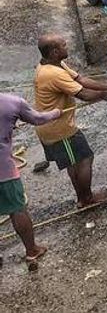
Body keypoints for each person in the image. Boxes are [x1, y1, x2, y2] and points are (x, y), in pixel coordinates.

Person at [34, 34, 107, 207]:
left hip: (50, 126)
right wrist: (103, 95)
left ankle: (81, 198)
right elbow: (83, 94)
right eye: (63, 45)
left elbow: (81, 80)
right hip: (58, 129)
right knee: (85, 159)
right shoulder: (53, 73)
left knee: (74, 162)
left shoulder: (54, 64)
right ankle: (87, 198)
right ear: (55, 52)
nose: (67, 46)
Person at [0, 93, 60, 266]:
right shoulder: (12, 102)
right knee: (17, 209)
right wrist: (57, 112)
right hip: (4, 170)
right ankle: (31, 250)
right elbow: (38, 119)